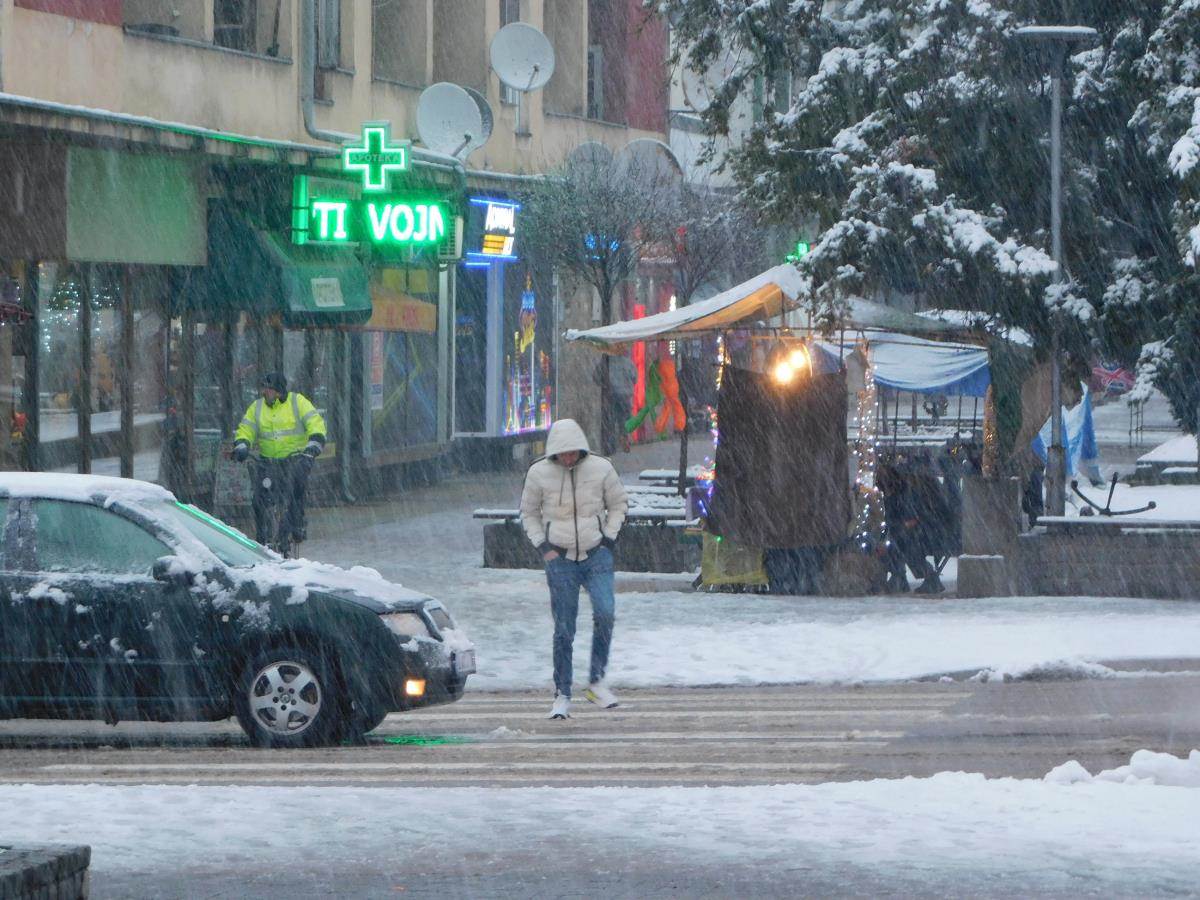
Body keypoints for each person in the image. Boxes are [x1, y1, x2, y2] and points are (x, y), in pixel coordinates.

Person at [519, 418, 628, 719]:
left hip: (597, 555)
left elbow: (618, 503)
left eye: (573, 452)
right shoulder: (538, 473)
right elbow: (528, 513)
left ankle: (596, 680)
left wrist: (609, 537)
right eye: (563, 453)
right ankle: (562, 693)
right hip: (560, 558)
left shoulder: (601, 468)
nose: (568, 458)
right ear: (554, 452)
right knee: (564, 628)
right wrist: (544, 547)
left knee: (605, 613)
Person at [232, 372, 326, 548]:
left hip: (295, 459)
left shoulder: (298, 402)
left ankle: (297, 524)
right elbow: (246, 428)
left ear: (279, 391)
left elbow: (315, 423)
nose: (264, 392)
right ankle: (262, 537)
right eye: (263, 388)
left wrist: (314, 444)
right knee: (259, 498)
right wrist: (242, 444)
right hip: (268, 462)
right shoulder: (257, 407)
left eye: (268, 389)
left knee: (296, 490)